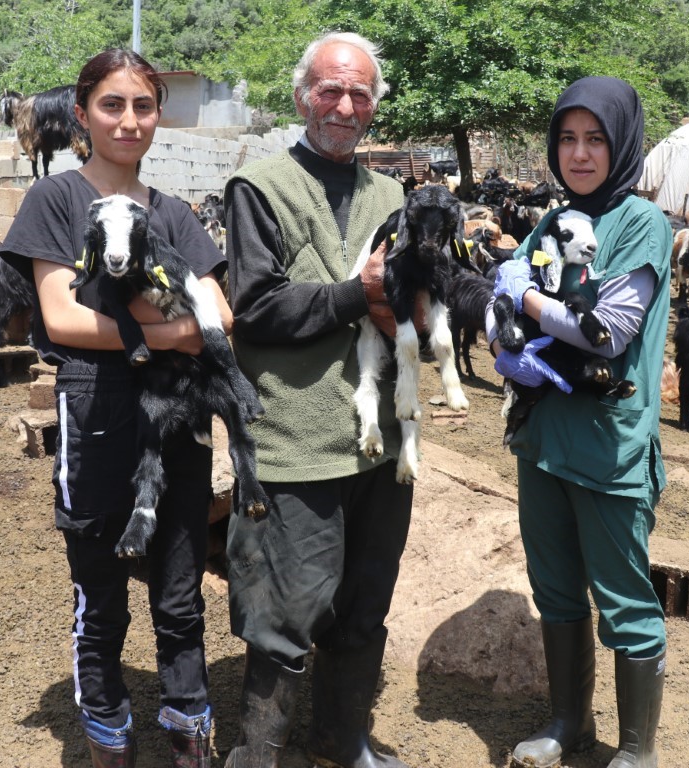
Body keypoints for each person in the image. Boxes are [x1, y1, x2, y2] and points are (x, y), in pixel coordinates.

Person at [0, 48, 229, 768]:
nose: (129, 121)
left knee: (182, 598)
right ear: (81, 114)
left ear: (157, 114)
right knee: (100, 601)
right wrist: (165, 334)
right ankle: (109, 742)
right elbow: (62, 320)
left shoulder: (176, 213)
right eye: (112, 105)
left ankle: (189, 737)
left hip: (178, 426)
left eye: (143, 106)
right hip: (96, 422)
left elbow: (219, 313)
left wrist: (182, 334)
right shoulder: (58, 201)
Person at [222, 31, 414, 768]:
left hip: (378, 438)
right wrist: (355, 294)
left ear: (373, 107)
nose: (344, 104)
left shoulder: (390, 195)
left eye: (360, 93)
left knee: (365, 603)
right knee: (284, 609)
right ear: (303, 95)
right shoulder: (260, 187)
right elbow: (258, 305)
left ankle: (344, 739)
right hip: (294, 439)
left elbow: (409, 297)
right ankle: (259, 754)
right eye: (330, 89)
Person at [485, 76, 673, 768]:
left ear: (621, 143)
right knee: (555, 587)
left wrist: (525, 302)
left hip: (607, 445)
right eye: (568, 138)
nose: (580, 153)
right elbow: (500, 305)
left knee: (624, 599)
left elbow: (606, 333)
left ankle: (636, 749)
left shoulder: (642, 224)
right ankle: (569, 724)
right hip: (542, 440)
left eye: (596, 139)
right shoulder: (551, 219)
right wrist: (498, 327)